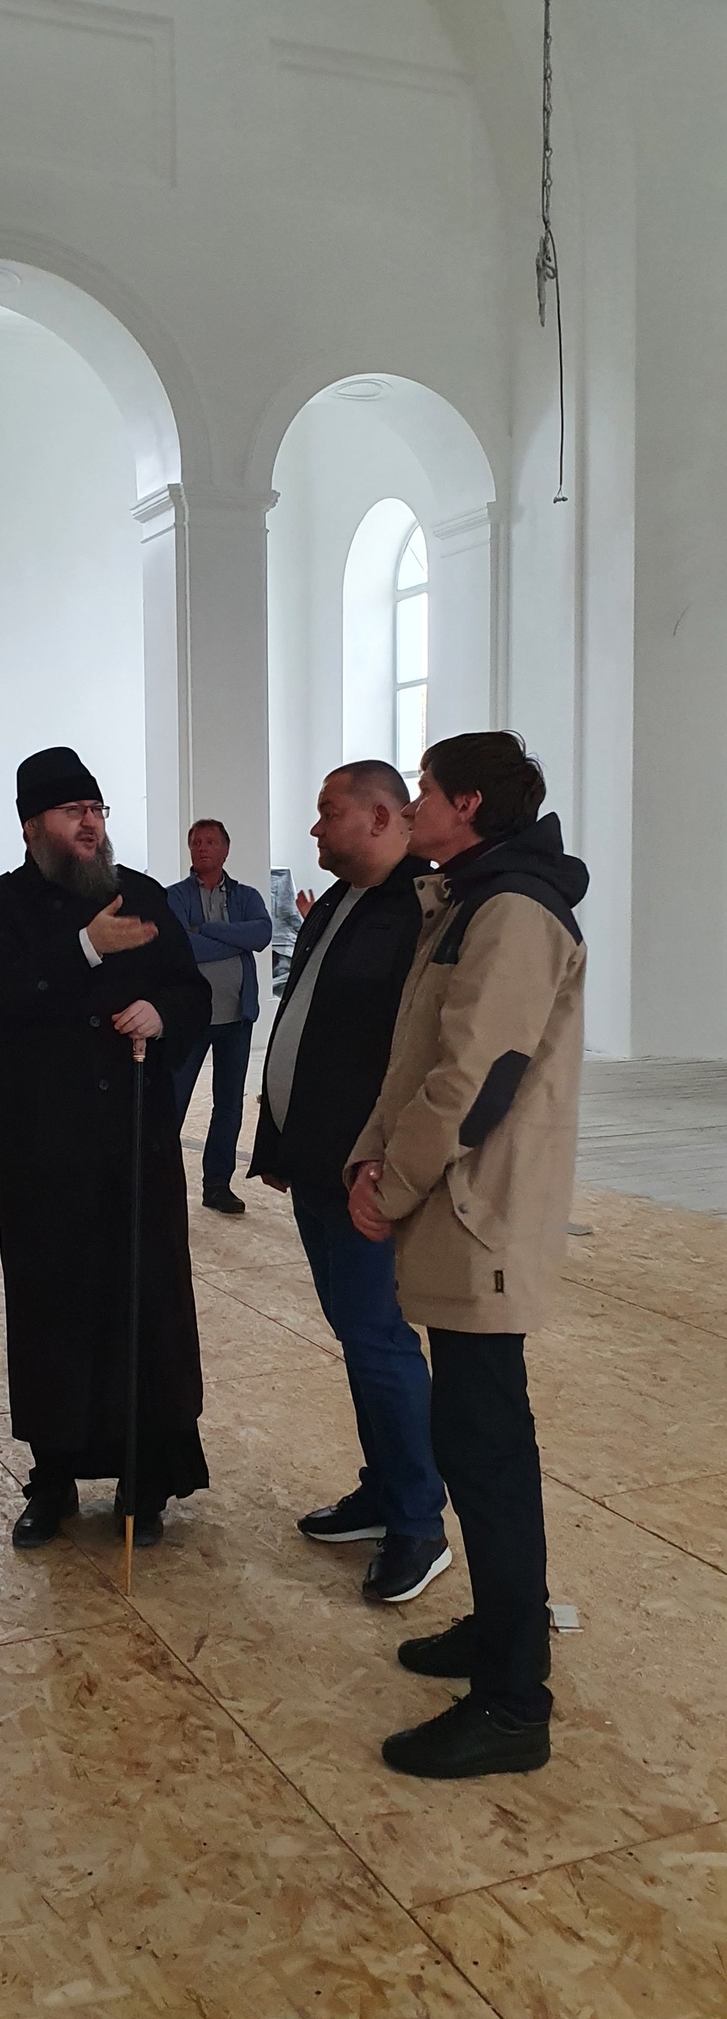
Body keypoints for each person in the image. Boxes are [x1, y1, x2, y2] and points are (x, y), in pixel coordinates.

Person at [346, 732, 588, 1780]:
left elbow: (473, 1080)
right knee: (473, 1436)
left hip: (482, 1212)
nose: (415, 809)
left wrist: (391, 1183)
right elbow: (416, 1055)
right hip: (454, 1205)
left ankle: (514, 1704)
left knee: (487, 1451)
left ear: (470, 805)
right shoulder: (470, 899)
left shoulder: (515, 911)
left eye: (427, 793)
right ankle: (498, 1634)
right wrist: (372, 1158)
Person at [0, 745, 212, 1551]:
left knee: (143, 1305)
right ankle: (54, 1478)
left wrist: (162, 1015)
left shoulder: (141, 895)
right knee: (53, 1309)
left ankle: (146, 1479)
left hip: (134, 1143)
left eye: (97, 810)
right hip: (45, 1153)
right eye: (73, 812)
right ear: (33, 825)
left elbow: (191, 991)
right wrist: (87, 948)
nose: (90, 825)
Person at [249, 762, 450, 1603]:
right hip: (317, 1164)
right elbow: (307, 1025)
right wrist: (280, 1144)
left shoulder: (423, 910)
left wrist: (386, 1164)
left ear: (377, 818)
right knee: (356, 1335)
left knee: (378, 1338)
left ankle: (419, 1523)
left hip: (364, 1172)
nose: (315, 828)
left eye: (328, 813)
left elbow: (420, 1055)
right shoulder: (340, 902)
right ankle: (384, 1489)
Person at [168, 819, 271, 1215]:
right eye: (195, 841)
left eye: (210, 841)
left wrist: (207, 929)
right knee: (173, 1102)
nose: (202, 847)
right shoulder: (174, 897)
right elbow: (181, 947)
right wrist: (233, 939)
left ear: (226, 850)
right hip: (189, 1020)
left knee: (228, 1106)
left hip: (236, 1020)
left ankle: (217, 1185)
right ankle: (160, 1185)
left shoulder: (246, 896)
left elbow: (260, 935)